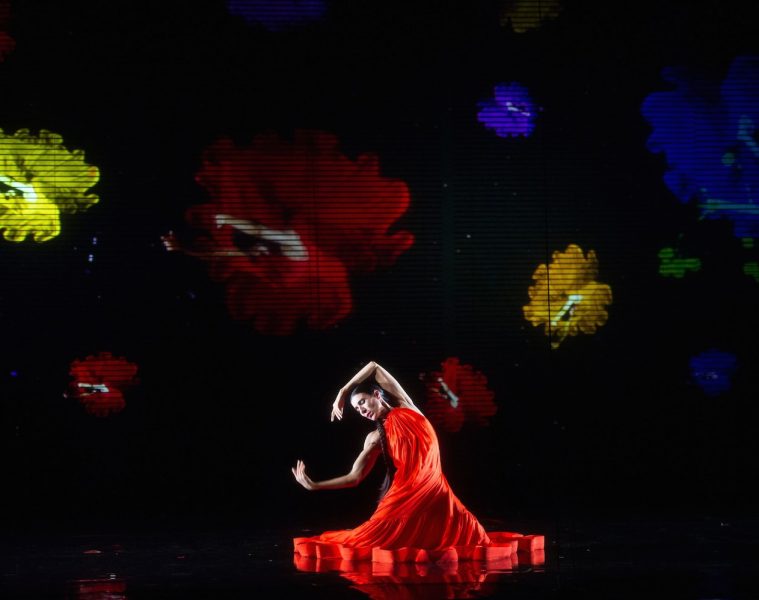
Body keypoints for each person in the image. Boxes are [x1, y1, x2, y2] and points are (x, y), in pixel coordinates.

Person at [291, 361, 543, 564]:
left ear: (377, 394)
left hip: (436, 493)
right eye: (357, 409)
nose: (361, 410)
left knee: (472, 537)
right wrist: (314, 485)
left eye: (363, 402)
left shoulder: (406, 407)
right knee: (369, 542)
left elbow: (374, 367)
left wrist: (344, 391)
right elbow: (354, 477)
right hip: (404, 497)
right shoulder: (374, 438)